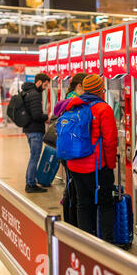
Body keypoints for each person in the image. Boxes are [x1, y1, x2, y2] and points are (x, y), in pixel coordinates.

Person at [66, 74, 118, 243]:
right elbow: (110, 141)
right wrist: (110, 166)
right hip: (96, 167)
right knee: (105, 203)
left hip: (74, 164)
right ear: (100, 90)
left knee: (83, 203)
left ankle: (85, 243)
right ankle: (107, 244)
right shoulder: (103, 109)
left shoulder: (73, 105)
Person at [53, 73, 87, 226]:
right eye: (86, 88)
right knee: (74, 189)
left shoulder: (66, 100)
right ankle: (72, 222)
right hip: (74, 151)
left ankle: (69, 220)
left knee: (70, 185)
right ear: (79, 86)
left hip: (64, 149)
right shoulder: (76, 102)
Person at [23, 73, 51, 193]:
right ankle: (30, 184)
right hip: (34, 131)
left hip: (29, 129)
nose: (45, 88)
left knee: (33, 156)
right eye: (44, 85)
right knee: (34, 157)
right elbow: (36, 115)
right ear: (38, 82)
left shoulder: (28, 92)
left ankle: (31, 181)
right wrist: (47, 117)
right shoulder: (35, 94)